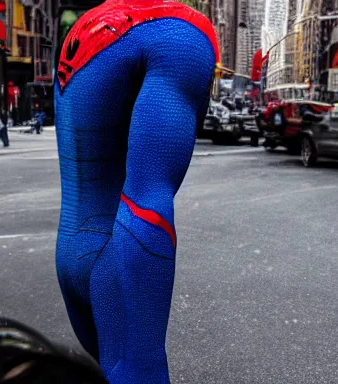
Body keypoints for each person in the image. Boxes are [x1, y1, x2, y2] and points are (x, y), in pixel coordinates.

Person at [54, 1, 218, 382]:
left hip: (70, 252)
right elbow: (148, 204)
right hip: (121, 260)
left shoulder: (80, 29)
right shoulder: (181, 31)